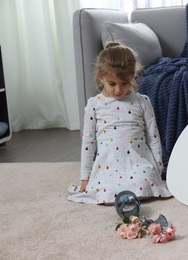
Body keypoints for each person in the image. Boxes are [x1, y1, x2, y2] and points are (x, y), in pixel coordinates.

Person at [67, 42, 171, 204]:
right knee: (106, 188)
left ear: (132, 76)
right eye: (112, 84)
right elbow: (88, 143)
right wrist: (85, 178)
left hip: (138, 163)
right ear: (101, 77)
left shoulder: (142, 101)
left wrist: (158, 169)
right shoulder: (94, 105)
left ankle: (139, 186)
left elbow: (153, 137)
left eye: (125, 83)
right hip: (108, 166)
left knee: (144, 180)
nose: (118, 90)